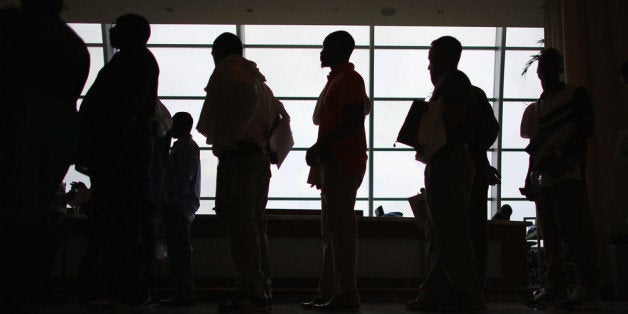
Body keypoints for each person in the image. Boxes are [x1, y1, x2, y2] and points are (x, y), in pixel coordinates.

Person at [0, 0, 89, 312]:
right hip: (58, 131)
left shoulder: (13, 29)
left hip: (25, 124)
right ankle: (29, 290)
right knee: (33, 213)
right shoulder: (74, 48)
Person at [77, 13, 158, 307]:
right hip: (126, 152)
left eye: (117, 28)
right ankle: (127, 287)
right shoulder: (139, 61)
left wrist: (103, 146)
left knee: (120, 220)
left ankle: (126, 288)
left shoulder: (131, 62)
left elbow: (122, 110)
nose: (111, 33)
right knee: (124, 221)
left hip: (120, 155)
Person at [197, 32, 281, 313]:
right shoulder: (257, 78)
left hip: (239, 156)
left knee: (240, 223)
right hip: (258, 156)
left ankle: (251, 289)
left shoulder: (229, 73)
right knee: (255, 224)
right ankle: (262, 286)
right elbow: (279, 116)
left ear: (217, 52)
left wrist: (236, 131)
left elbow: (242, 102)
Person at [406, 36, 485, 311]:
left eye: (431, 57)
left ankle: (467, 294)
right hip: (446, 159)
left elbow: (454, 116)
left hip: (448, 159)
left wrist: (429, 137)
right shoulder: (452, 83)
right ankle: (438, 292)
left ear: (442, 58)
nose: (428, 64)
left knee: (449, 231)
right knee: (441, 231)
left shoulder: (454, 82)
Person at [521, 48, 600, 311]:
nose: (545, 71)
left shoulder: (575, 95)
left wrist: (561, 156)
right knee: (551, 237)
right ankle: (555, 287)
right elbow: (534, 147)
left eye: (551, 66)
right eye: (543, 66)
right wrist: (530, 177)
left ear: (559, 68)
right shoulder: (536, 109)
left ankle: (587, 287)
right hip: (546, 179)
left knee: (575, 234)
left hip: (568, 174)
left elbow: (584, 131)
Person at [301, 30, 370, 312]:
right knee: (333, 230)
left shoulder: (349, 79)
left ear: (341, 50)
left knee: (339, 230)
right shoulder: (339, 80)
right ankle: (330, 291)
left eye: (326, 46)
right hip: (337, 160)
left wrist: (321, 144)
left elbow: (353, 120)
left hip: (343, 160)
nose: (321, 51)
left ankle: (346, 294)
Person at [158, 112, 200, 307]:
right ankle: (183, 292)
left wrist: (169, 197)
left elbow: (183, 177)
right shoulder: (187, 147)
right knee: (179, 250)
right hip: (182, 205)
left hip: (178, 205)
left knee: (179, 251)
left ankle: (183, 292)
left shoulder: (185, 148)